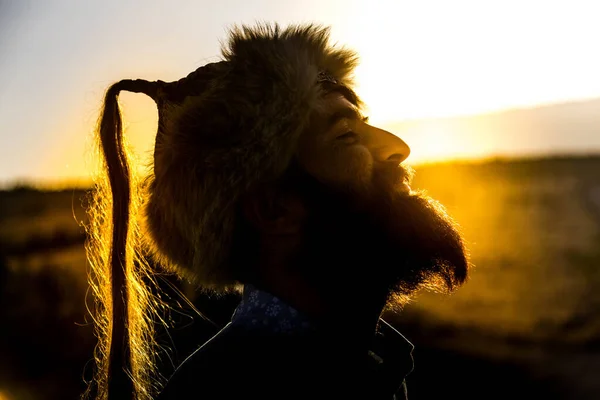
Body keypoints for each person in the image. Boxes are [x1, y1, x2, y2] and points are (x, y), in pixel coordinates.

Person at [86, 23, 471, 400]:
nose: (398, 147)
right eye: (346, 136)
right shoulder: (224, 390)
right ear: (273, 210)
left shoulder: (370, 365)